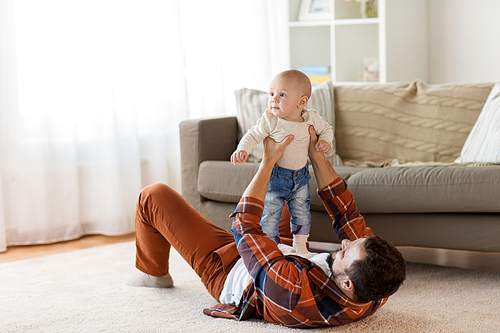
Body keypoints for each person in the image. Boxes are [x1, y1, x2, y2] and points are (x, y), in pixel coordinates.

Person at [126, 126, 406, 328]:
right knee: (285, 194)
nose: (343, 243)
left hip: (233, 270)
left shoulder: (294, 294)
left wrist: (268, 161)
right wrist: (315, 153)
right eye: (351, 243)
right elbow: (346, 213)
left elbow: (244, 226)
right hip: (284, 254)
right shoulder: (376, 286)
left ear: (346, 283)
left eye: (346, 253)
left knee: (153, 195)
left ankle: (153, 274)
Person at [231, 69, 333, 256]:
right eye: (271, 94)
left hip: (300, 177)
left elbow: (327, 129)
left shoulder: (311, 118)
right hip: (277, 177)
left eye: (282, 94)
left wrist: (325, 141)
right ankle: (272, 248)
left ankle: (301, 247)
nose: (274, 99)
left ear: (301, 102)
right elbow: (253, 134)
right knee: (270, 214)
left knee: (301, 213)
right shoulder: (271, 120)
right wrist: (242, 149)